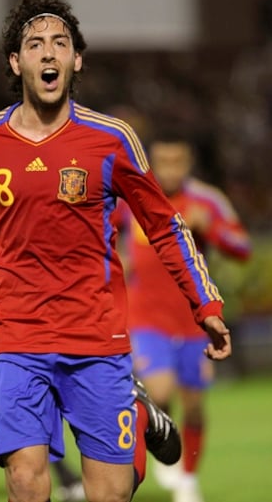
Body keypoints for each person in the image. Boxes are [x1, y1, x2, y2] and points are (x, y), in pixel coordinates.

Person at [0, 0, 231, 502]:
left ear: (76, 60)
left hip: (95, 335)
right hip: (14, 335)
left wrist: (205, 303)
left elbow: (165, 226)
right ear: (16, 61)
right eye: (34, 44)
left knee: (109, 494)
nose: (48, 53)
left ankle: (133, 411)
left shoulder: (110, 140)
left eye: (60, 43)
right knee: (26, 480)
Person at [116, 129, 251, 502]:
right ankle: (164, 443)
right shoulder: (133, 198)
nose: (170, 169)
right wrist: (116, 259)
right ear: (152, 162)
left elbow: (243, 247)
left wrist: (214, 230)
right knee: (158, 391)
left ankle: (188, 476)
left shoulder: (206, 201)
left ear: (188, 163)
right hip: (145, 320)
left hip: (194, 323)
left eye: (177, 161)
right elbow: (100, 233)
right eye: (163, 161)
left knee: (193, 405)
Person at [0, 200, 85, 502]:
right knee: (19, 403)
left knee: (18, 404)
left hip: (37, 306)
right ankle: (62, 476)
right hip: (5, 307)